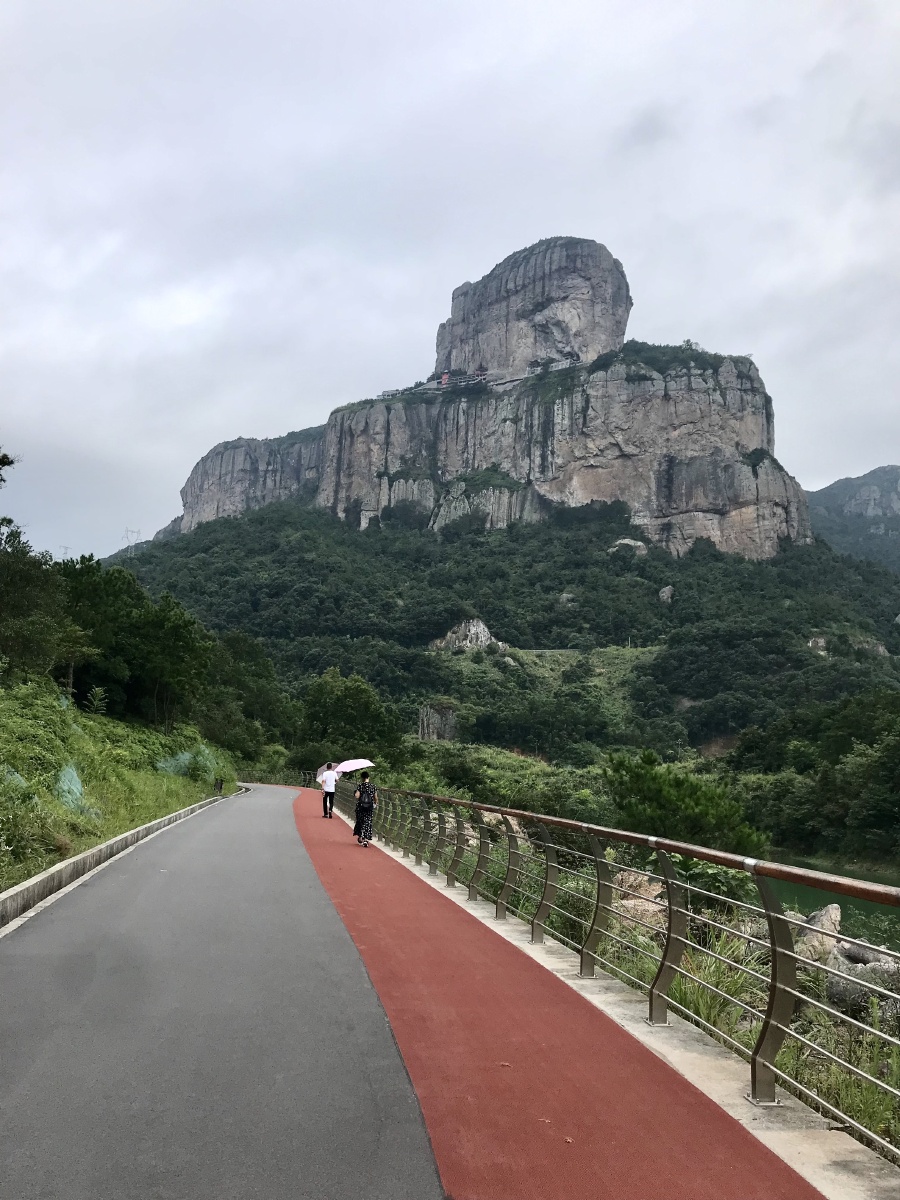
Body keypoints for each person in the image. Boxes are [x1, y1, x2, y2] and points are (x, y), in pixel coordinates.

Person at [353, 771, 378, 847]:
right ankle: (366, 839)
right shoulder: (373, 786)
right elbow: (375, 797)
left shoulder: (360, 786)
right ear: (368, 777)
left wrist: (355, 792)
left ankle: (360, 836)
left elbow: (357, 796)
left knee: (360, 821)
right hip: (369, 807)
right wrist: (375, 803)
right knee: (368, 822)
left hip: (360, 807)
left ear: (362, 778)